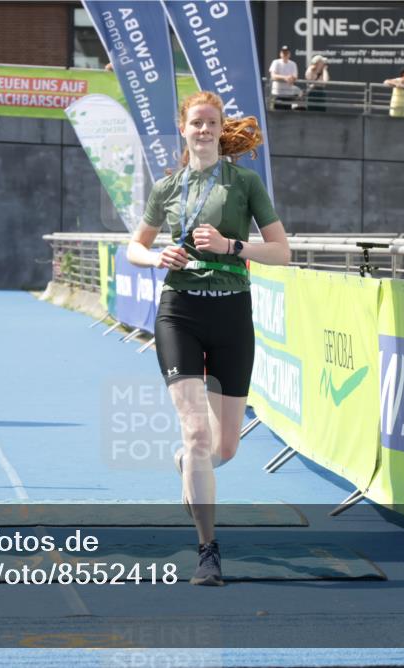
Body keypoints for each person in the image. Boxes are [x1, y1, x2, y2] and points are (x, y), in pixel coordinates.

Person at [126, 91, 291, 586]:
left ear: (221, 130)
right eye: (195, 123)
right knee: (197, 434)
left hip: (232, 314)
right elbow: (135, 245)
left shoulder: (244, 183)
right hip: (180, 312)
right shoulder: (168, 187)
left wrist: (231, 246)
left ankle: (188, 461)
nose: (202, 130)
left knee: (224, 449)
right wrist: (157, 258)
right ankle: (208, 552)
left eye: (210, 124)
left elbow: (282, 251)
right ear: (183, 129)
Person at [268, 46, 300, 110]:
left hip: (288, 94)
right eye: (283, 52)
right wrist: (285, 78)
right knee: (276, 113)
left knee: (287, 114)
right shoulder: (276, 62)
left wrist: (291, 78)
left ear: (289, 54)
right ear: (280, 54)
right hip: (277, 94)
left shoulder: (293, 64)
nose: (285, 54)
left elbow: (295, 76)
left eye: (286, 53)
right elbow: (273, 76)